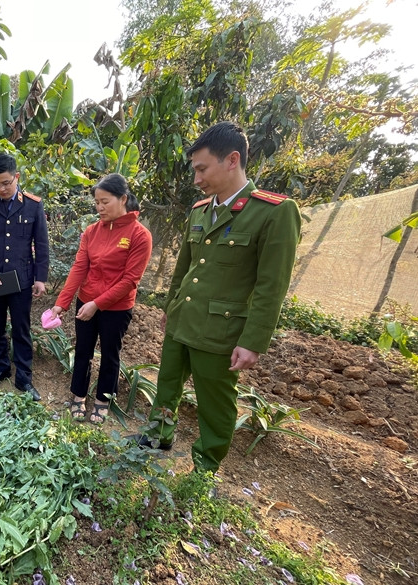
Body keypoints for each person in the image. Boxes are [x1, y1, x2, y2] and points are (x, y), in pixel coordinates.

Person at [132, 121, 301, 473]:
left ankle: (205, 467)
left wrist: (253, 341)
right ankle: (159, 435)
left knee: (215, 403)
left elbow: (271, 286)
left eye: (202, 169)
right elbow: (185, 267)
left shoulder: (273, 212)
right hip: (182, 320)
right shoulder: (200, 210)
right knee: (167, 385)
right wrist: (170, 307)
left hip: (220, 331)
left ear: (232, 160)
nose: (196, 178)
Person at [49, 173, 152, 423]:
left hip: (117, 308)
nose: (99, 207)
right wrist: (61, 303)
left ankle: (103, 399)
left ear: (123, 199)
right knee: (83, 350)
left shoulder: (140, 235)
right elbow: (79, 268)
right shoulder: (91, 232)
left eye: (105, 201)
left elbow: (130, 280)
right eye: (97, 202)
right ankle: (78, 395)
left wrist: (97, 304)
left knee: (110, 353)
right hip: (86, 301)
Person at [0, 153, 49, 401]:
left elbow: (41, 244)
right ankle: (1, 368)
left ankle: (24, 378)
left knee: (21, 329)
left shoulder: (33, 205)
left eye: (6, 183)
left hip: (21, 280)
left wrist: (40, 278)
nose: (1, 189)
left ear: (17, 177)